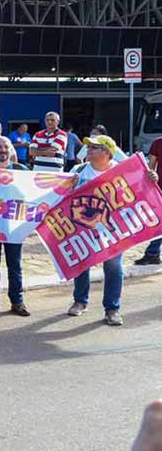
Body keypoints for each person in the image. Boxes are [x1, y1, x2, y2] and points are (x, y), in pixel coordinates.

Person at [66, 136, 158, 326]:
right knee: (82, 264)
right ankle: (80, 301)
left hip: (113, 231)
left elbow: (142, 189)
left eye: (94, 147)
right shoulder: (79, 171)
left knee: (114, 267)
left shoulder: (124, 171)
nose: (88, 150)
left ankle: (112, 309)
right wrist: (67, 186)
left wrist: (152, 179)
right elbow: (63, 198)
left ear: (107, 152)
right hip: (85, 230)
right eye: (88, 147)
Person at [0, 136, 30, 316]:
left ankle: (17, 301)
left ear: (11, 150)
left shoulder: (21, 170)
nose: (2, 150)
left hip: (13, 228)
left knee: (14, 265)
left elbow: (33, 194)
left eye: (5, 147)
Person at [136, 135, 162, 266]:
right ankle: (153, 254)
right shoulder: (157, 143)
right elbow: (150, 168)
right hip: (159, 189)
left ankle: (152, 254)